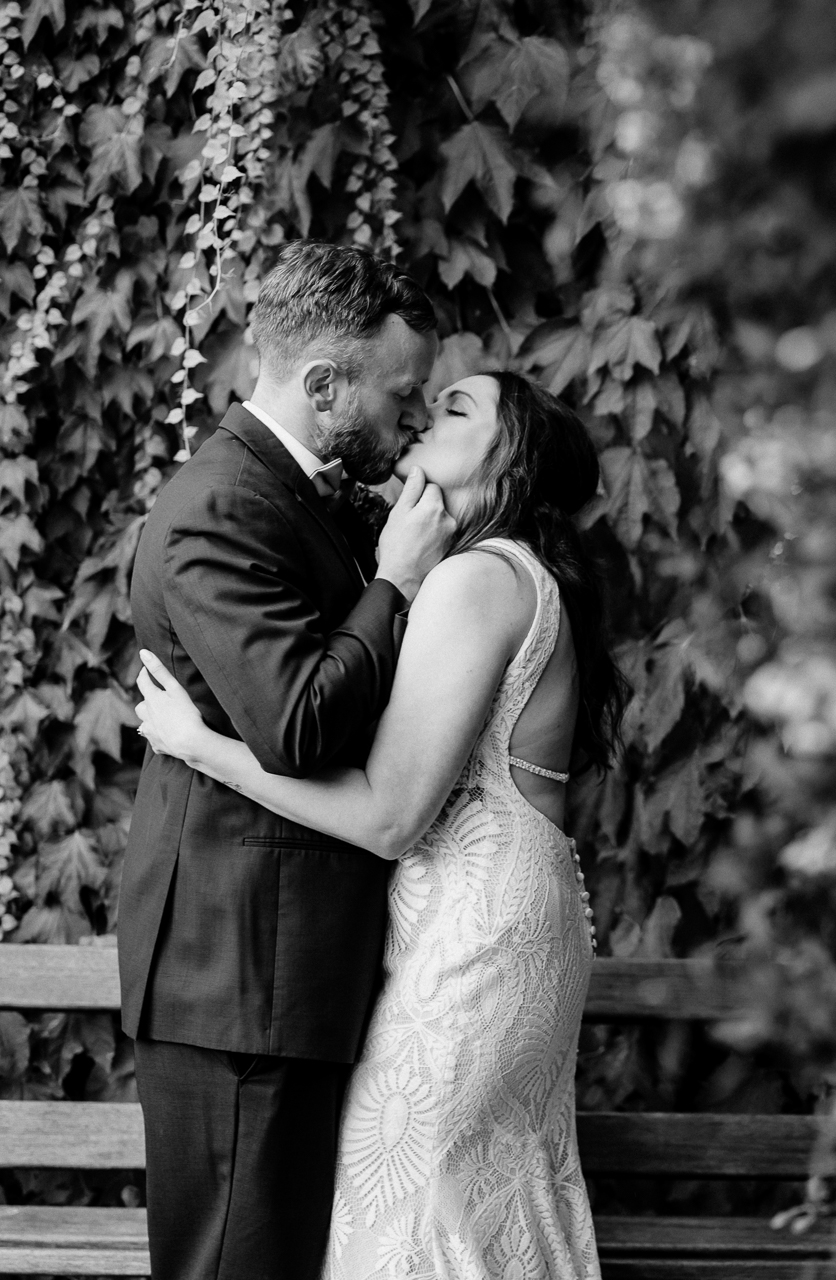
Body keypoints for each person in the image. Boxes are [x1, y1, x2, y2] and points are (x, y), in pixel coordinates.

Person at [134, 369, 626, 1280]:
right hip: (514, 913)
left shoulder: (476, 580)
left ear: (510, 454)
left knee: (413, 1211)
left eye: (457, 406)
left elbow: (391, 816)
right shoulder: (521, 573)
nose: (426, 409)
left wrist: (201, 747)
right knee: (481, 1201)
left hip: (469, 940)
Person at [120, 241, 452, 1280]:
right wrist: (394, 584)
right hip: (238, 977)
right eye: (402, 394)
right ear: (322, 384)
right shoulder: (219, 507)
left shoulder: (292, 493)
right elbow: (300, 725)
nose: (413, 421)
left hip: (279, 970)